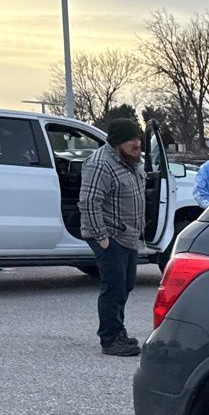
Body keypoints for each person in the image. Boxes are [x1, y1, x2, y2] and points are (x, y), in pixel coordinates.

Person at [79, 118, 146, 357]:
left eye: (138, 139)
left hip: (128, 235)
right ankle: (110, 339)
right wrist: (101, 237)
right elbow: (88, 202)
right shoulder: (99, 164)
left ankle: (118, 330)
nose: (137, 143)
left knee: (126, 284)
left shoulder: (134, 161)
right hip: (110, 235)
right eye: (132, 140)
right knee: (114, 287)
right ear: (117, 142)